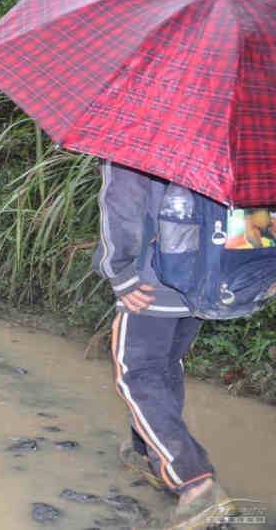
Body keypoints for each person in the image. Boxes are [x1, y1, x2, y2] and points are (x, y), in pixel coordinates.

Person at [93, 160, 235, 529]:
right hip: (203, 281)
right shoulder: (220, 134)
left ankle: (195, 483)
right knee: (166, 366)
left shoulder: (139, 136)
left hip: (151, 280)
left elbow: (121, 203)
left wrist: (119, 271)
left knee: (137, 374)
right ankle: (146, 452)